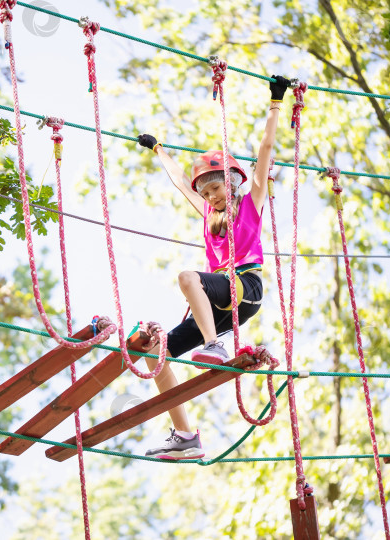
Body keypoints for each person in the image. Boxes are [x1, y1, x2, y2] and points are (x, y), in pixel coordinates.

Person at [135, 75, 291, 460]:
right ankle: (187, 437)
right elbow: (179, 183)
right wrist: (159, 150)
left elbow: (266, 148)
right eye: (205, 193)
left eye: (216, 188)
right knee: (155, 351)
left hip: (244, 287)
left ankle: (214, 346)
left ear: (232, 181)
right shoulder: (210, 217)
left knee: (188, 278)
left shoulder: (251, 202)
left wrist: (276, 101)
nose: (210, 197)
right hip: (218, 300)